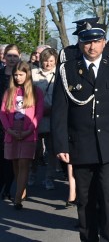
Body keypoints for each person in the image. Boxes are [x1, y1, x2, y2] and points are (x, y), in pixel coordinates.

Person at [52, 21, 109, 242]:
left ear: (103, 42)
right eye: (87, 41)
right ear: (79, 42)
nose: (92, 46)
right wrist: (61, 144)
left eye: (97, 41)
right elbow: (60, 111)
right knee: (86, 200)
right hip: (81, 144)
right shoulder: (67, 69)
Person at [0, 61, 44, 209]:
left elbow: (39, 114)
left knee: (24, 164)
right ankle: (21, 188)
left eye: (21, 74)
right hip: (12, 131)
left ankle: (17, 199)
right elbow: (3, 113)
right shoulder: (9, 92)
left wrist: (30, 130)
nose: (18, 77)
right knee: (15, 164)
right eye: (16, 75)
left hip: (28, 132)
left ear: (27, 74)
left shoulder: (36, 91)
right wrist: (9, 129)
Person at [31, 47, 58, 190]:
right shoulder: (34, 74)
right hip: (36, 117)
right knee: (35, 149)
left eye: (51, 61)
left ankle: (49, 177)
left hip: (53, 116)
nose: (48, 64)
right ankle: (32, 172)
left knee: (52, 151)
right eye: (45, 61)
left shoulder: (59, 74)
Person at [0, 44, 21, 200]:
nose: (12, 58)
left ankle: (8, 187)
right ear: (4, 57)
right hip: (0, 119)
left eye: (15, 56)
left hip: (15, 120)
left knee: (12, 156)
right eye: (9, 55)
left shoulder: (21, 76)